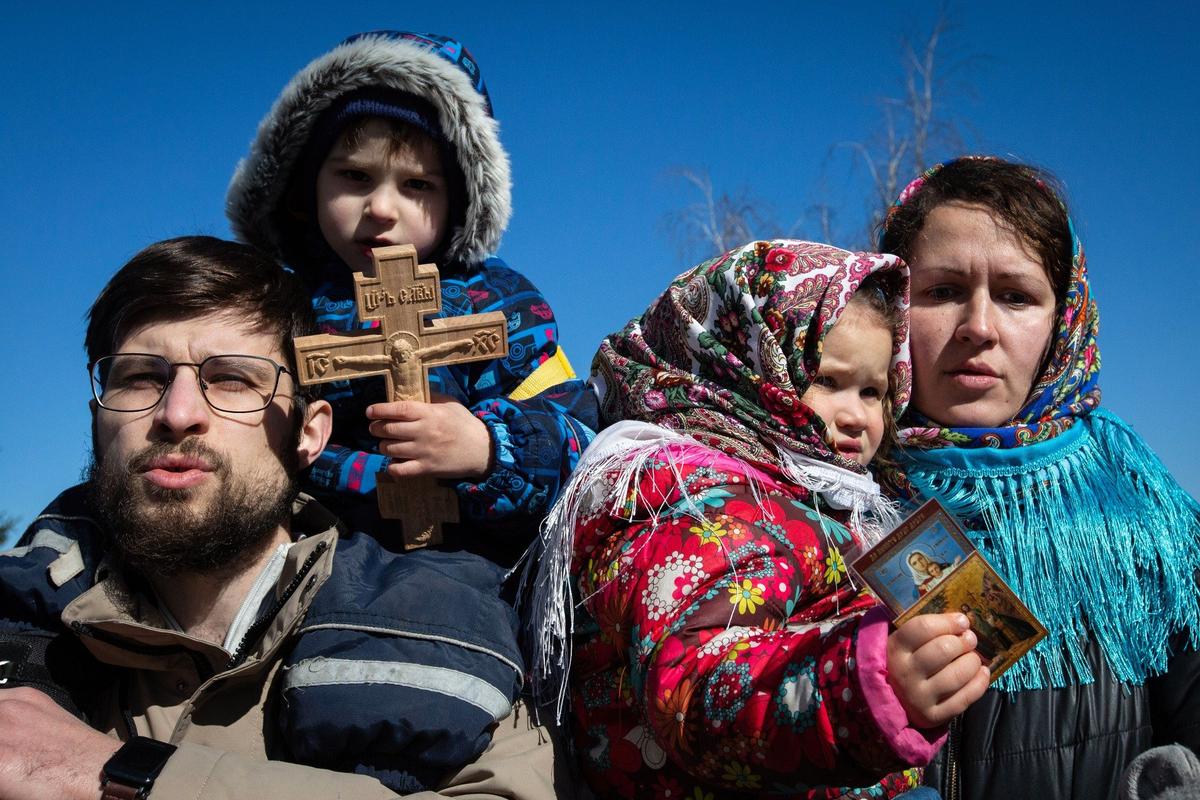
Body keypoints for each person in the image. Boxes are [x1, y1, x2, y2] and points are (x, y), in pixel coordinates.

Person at [0, 237, 564, 800]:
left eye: (232, 379)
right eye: (141, 377)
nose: (177, 413)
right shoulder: (24, 618)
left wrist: (119, 776)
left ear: (309, 433)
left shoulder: (442, 633)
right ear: (97, 418)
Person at [531, 240, 989, 798]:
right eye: (826, 381)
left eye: (873, 391)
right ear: (744, 372)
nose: (855, 415)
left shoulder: (818, 501)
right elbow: (692, 687)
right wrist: (862, 686)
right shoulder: (708, 503)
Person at [879, 156, 1200, 798]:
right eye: (942, 291)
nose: (979, 327)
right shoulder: (818, 497)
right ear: (888, 305)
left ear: (1063, 320)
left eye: (1016, 296)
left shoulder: (1144, 508)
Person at [226, 31, 596, 564]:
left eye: (417, 185)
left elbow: (582, 436)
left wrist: (488, 447)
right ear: (307, 187)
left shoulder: (500, 302)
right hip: (303, 548)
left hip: (460, 557)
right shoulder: (276, 306)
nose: (381, 208)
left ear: (459, 201)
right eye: (355, 176)